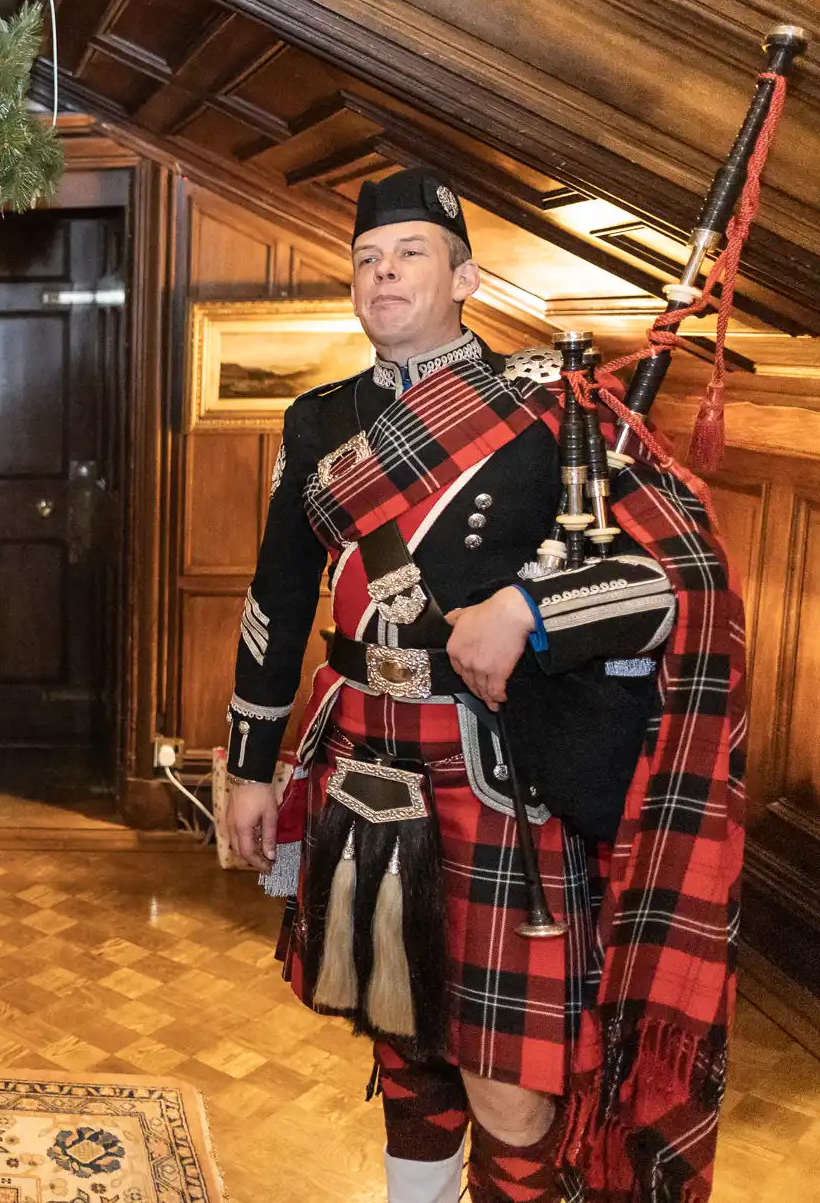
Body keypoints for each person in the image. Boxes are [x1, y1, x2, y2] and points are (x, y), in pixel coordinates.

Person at [219, 168, 746, 1202]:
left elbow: (674, 579)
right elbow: (276, 598)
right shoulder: (316, 421)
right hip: (358, 755)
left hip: (493, 771)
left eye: (406, 254)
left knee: (506, 1084)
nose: (381, 274)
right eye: (366, 259)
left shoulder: (551, 410)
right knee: (402, 1046)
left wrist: (529, 610)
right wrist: (245, 767)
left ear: (462, 275)